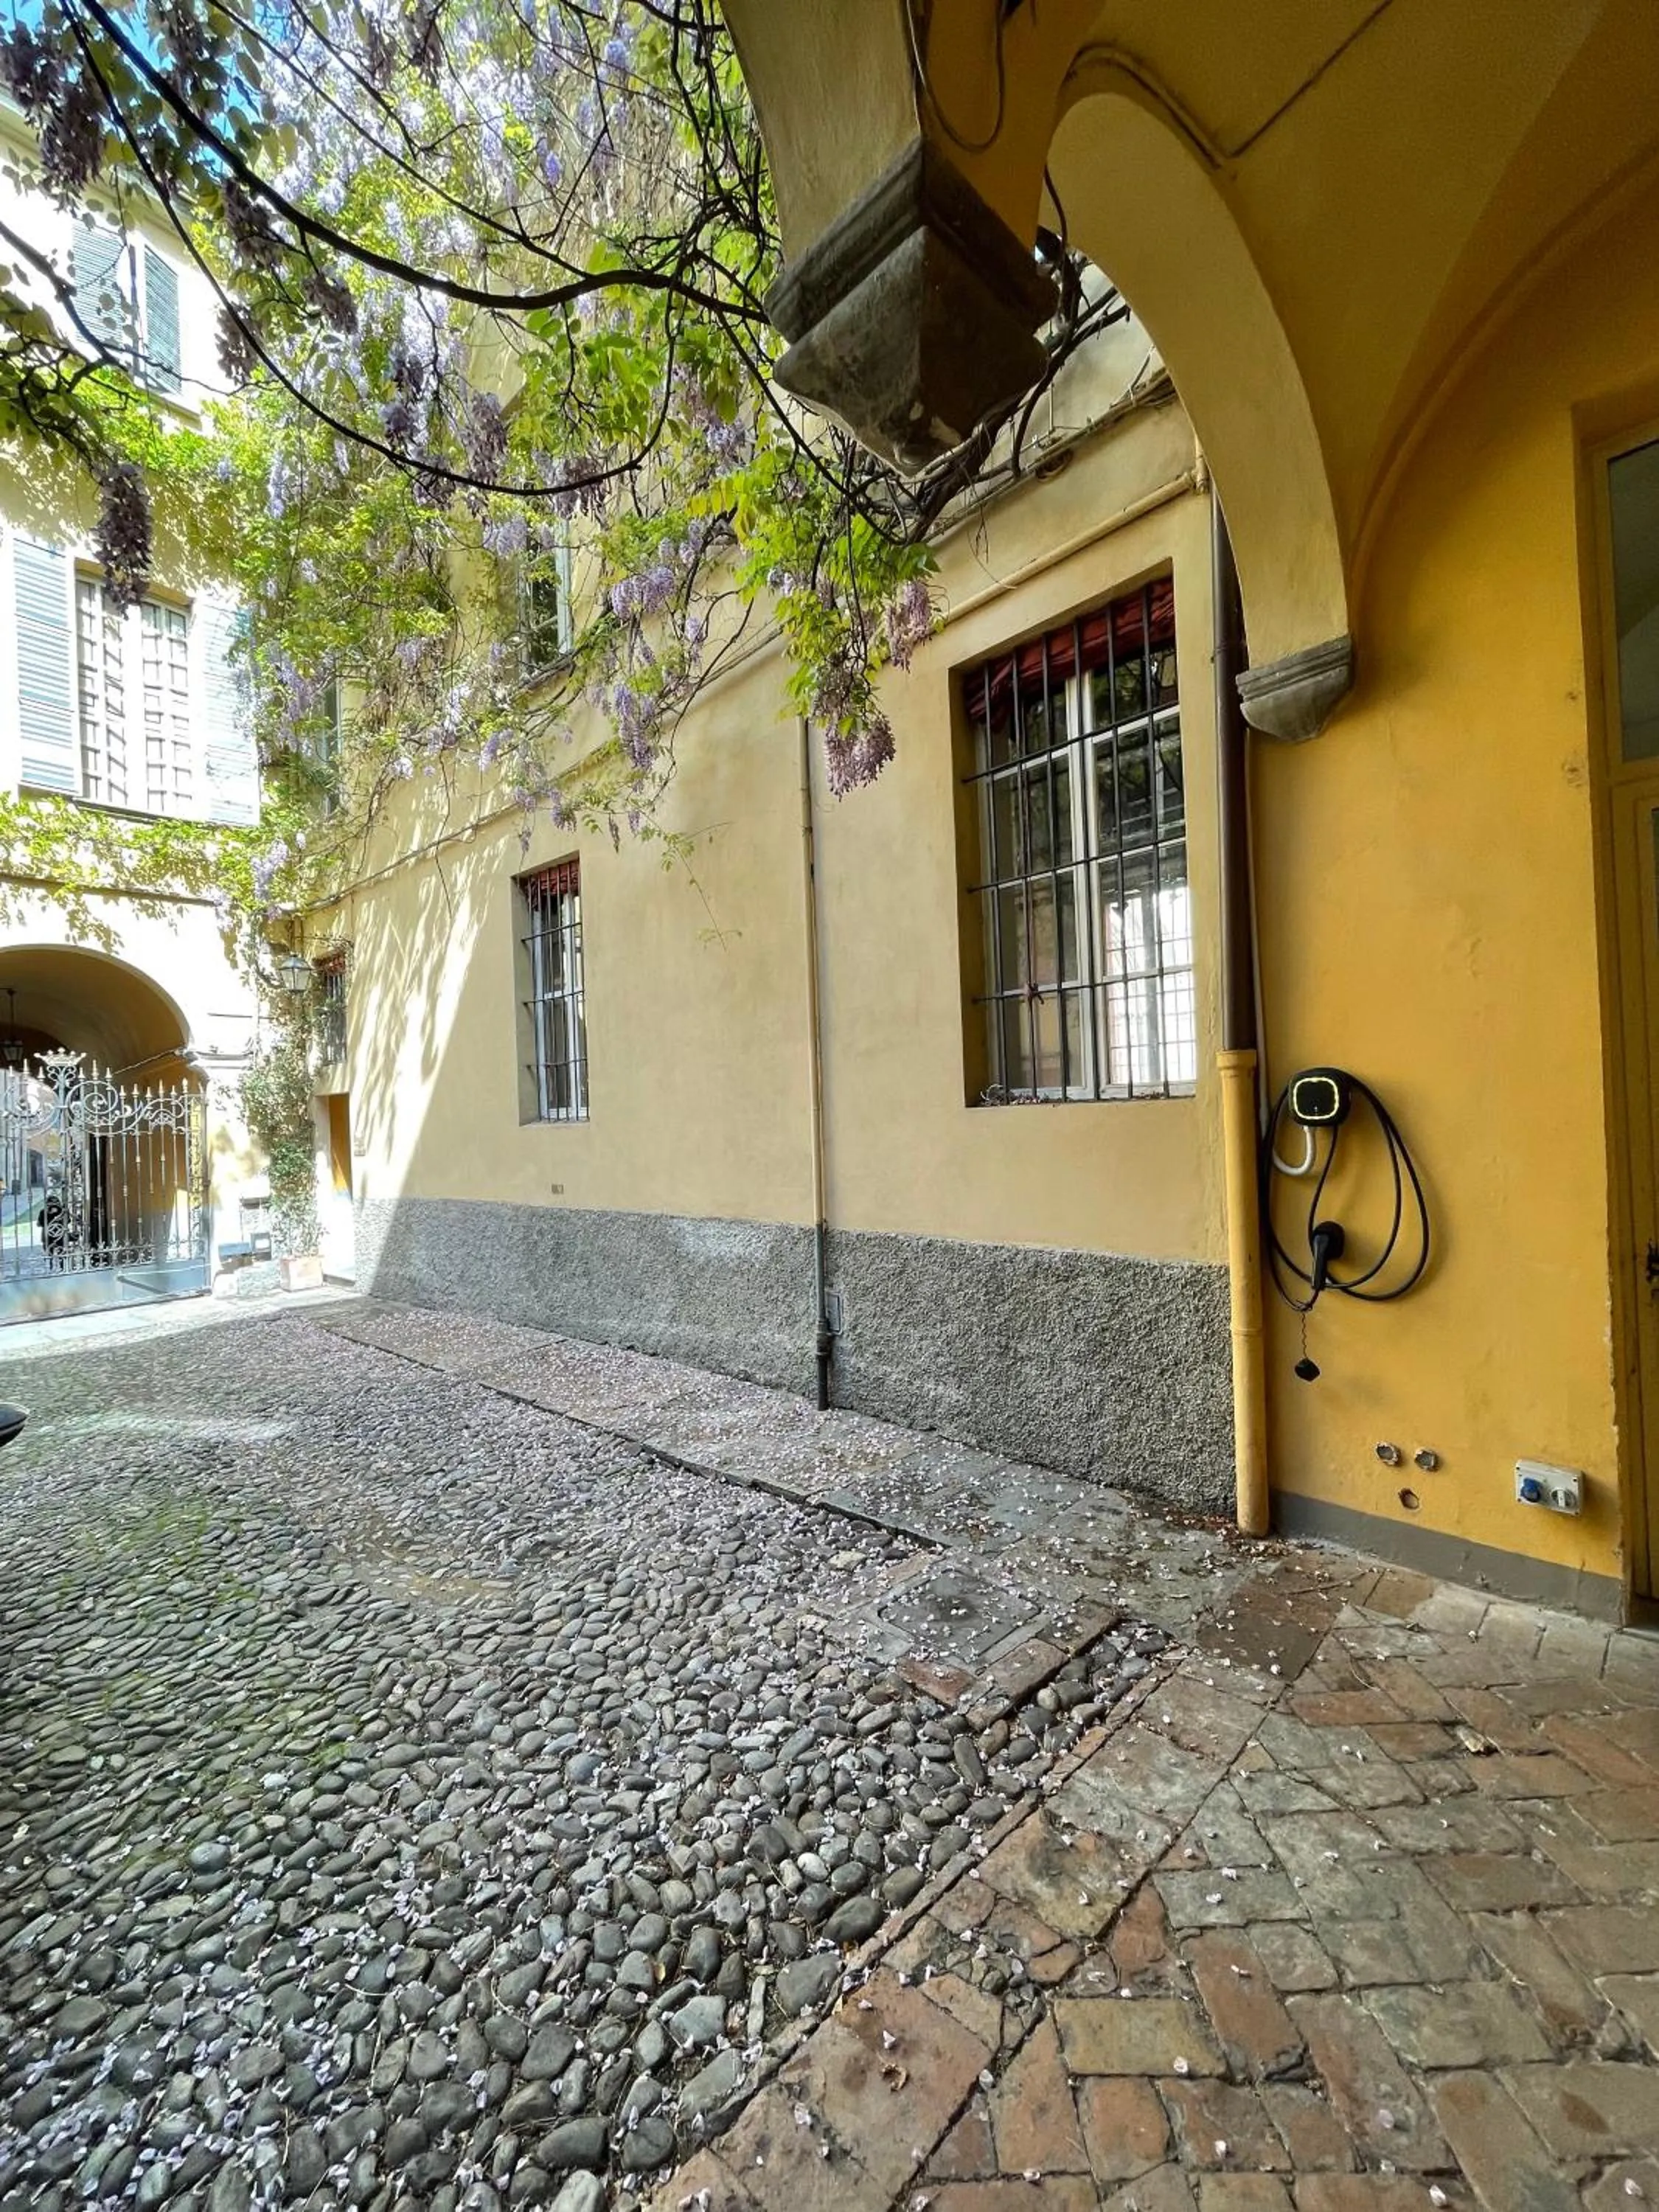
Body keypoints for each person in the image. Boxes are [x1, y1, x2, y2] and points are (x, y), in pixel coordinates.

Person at [37, 1190, 71, 1270]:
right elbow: (68, 1221)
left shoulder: (43, 1212)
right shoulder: (62, 1211)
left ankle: (51, 1266)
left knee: (49, 1251)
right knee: (61, 1251)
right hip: (59, 1235)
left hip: (48, 1235)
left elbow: (39, 1224)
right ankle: (62, 1266)